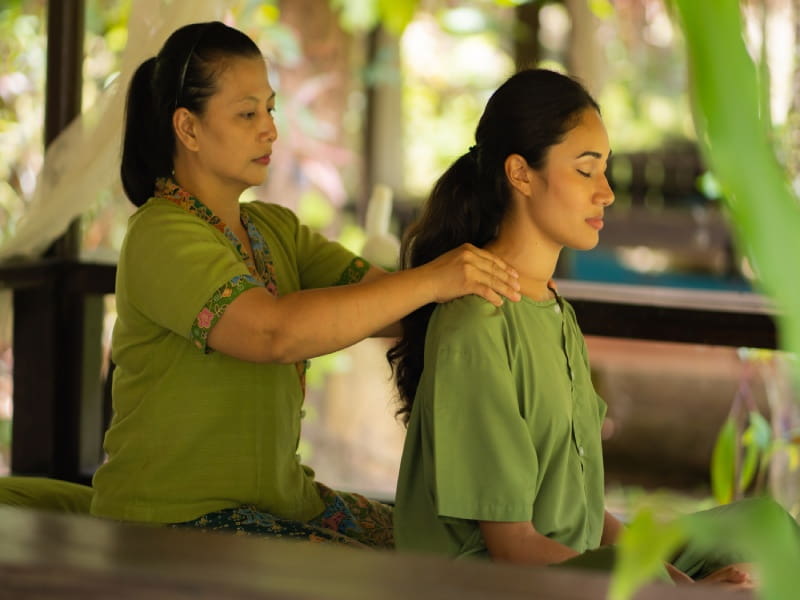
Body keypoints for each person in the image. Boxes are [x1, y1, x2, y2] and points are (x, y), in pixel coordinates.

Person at [90, 21, 522, 549]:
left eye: (269, 110)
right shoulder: (160, 233)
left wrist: (482, 248)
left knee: (434, 545)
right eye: (247, 113)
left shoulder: (273, 229)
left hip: (280, 500)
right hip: (173, 517)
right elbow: (273, 334)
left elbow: (391, 304)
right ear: (188, 128)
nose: (269, 129)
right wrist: (433, 278)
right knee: (402, 576)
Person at [388, 68, 753, 586]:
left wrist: (677, 578)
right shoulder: (476, 321)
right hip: (498, 583)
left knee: (763, 529)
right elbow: (513, 546)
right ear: (521, 174)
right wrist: (677, 590)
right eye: (586, 171)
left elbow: (587, 519)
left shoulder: (557, 312)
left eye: (605, 170)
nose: (605, 192)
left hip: (578, 564)